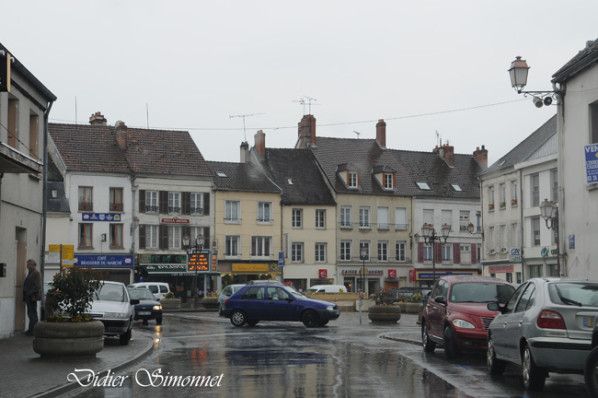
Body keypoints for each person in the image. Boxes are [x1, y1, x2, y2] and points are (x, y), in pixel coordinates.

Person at [23, 259, 41, 336]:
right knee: (31, 313)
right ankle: (31, 330)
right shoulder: (30, 273)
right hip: (29, 297)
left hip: (32, 297)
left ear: (33, 265)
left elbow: (37, 286)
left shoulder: (36, 273)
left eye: (29, 264)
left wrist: (29, 293)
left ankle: (33, 331)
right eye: (27, 264)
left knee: (33, 314)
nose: (27, 266)